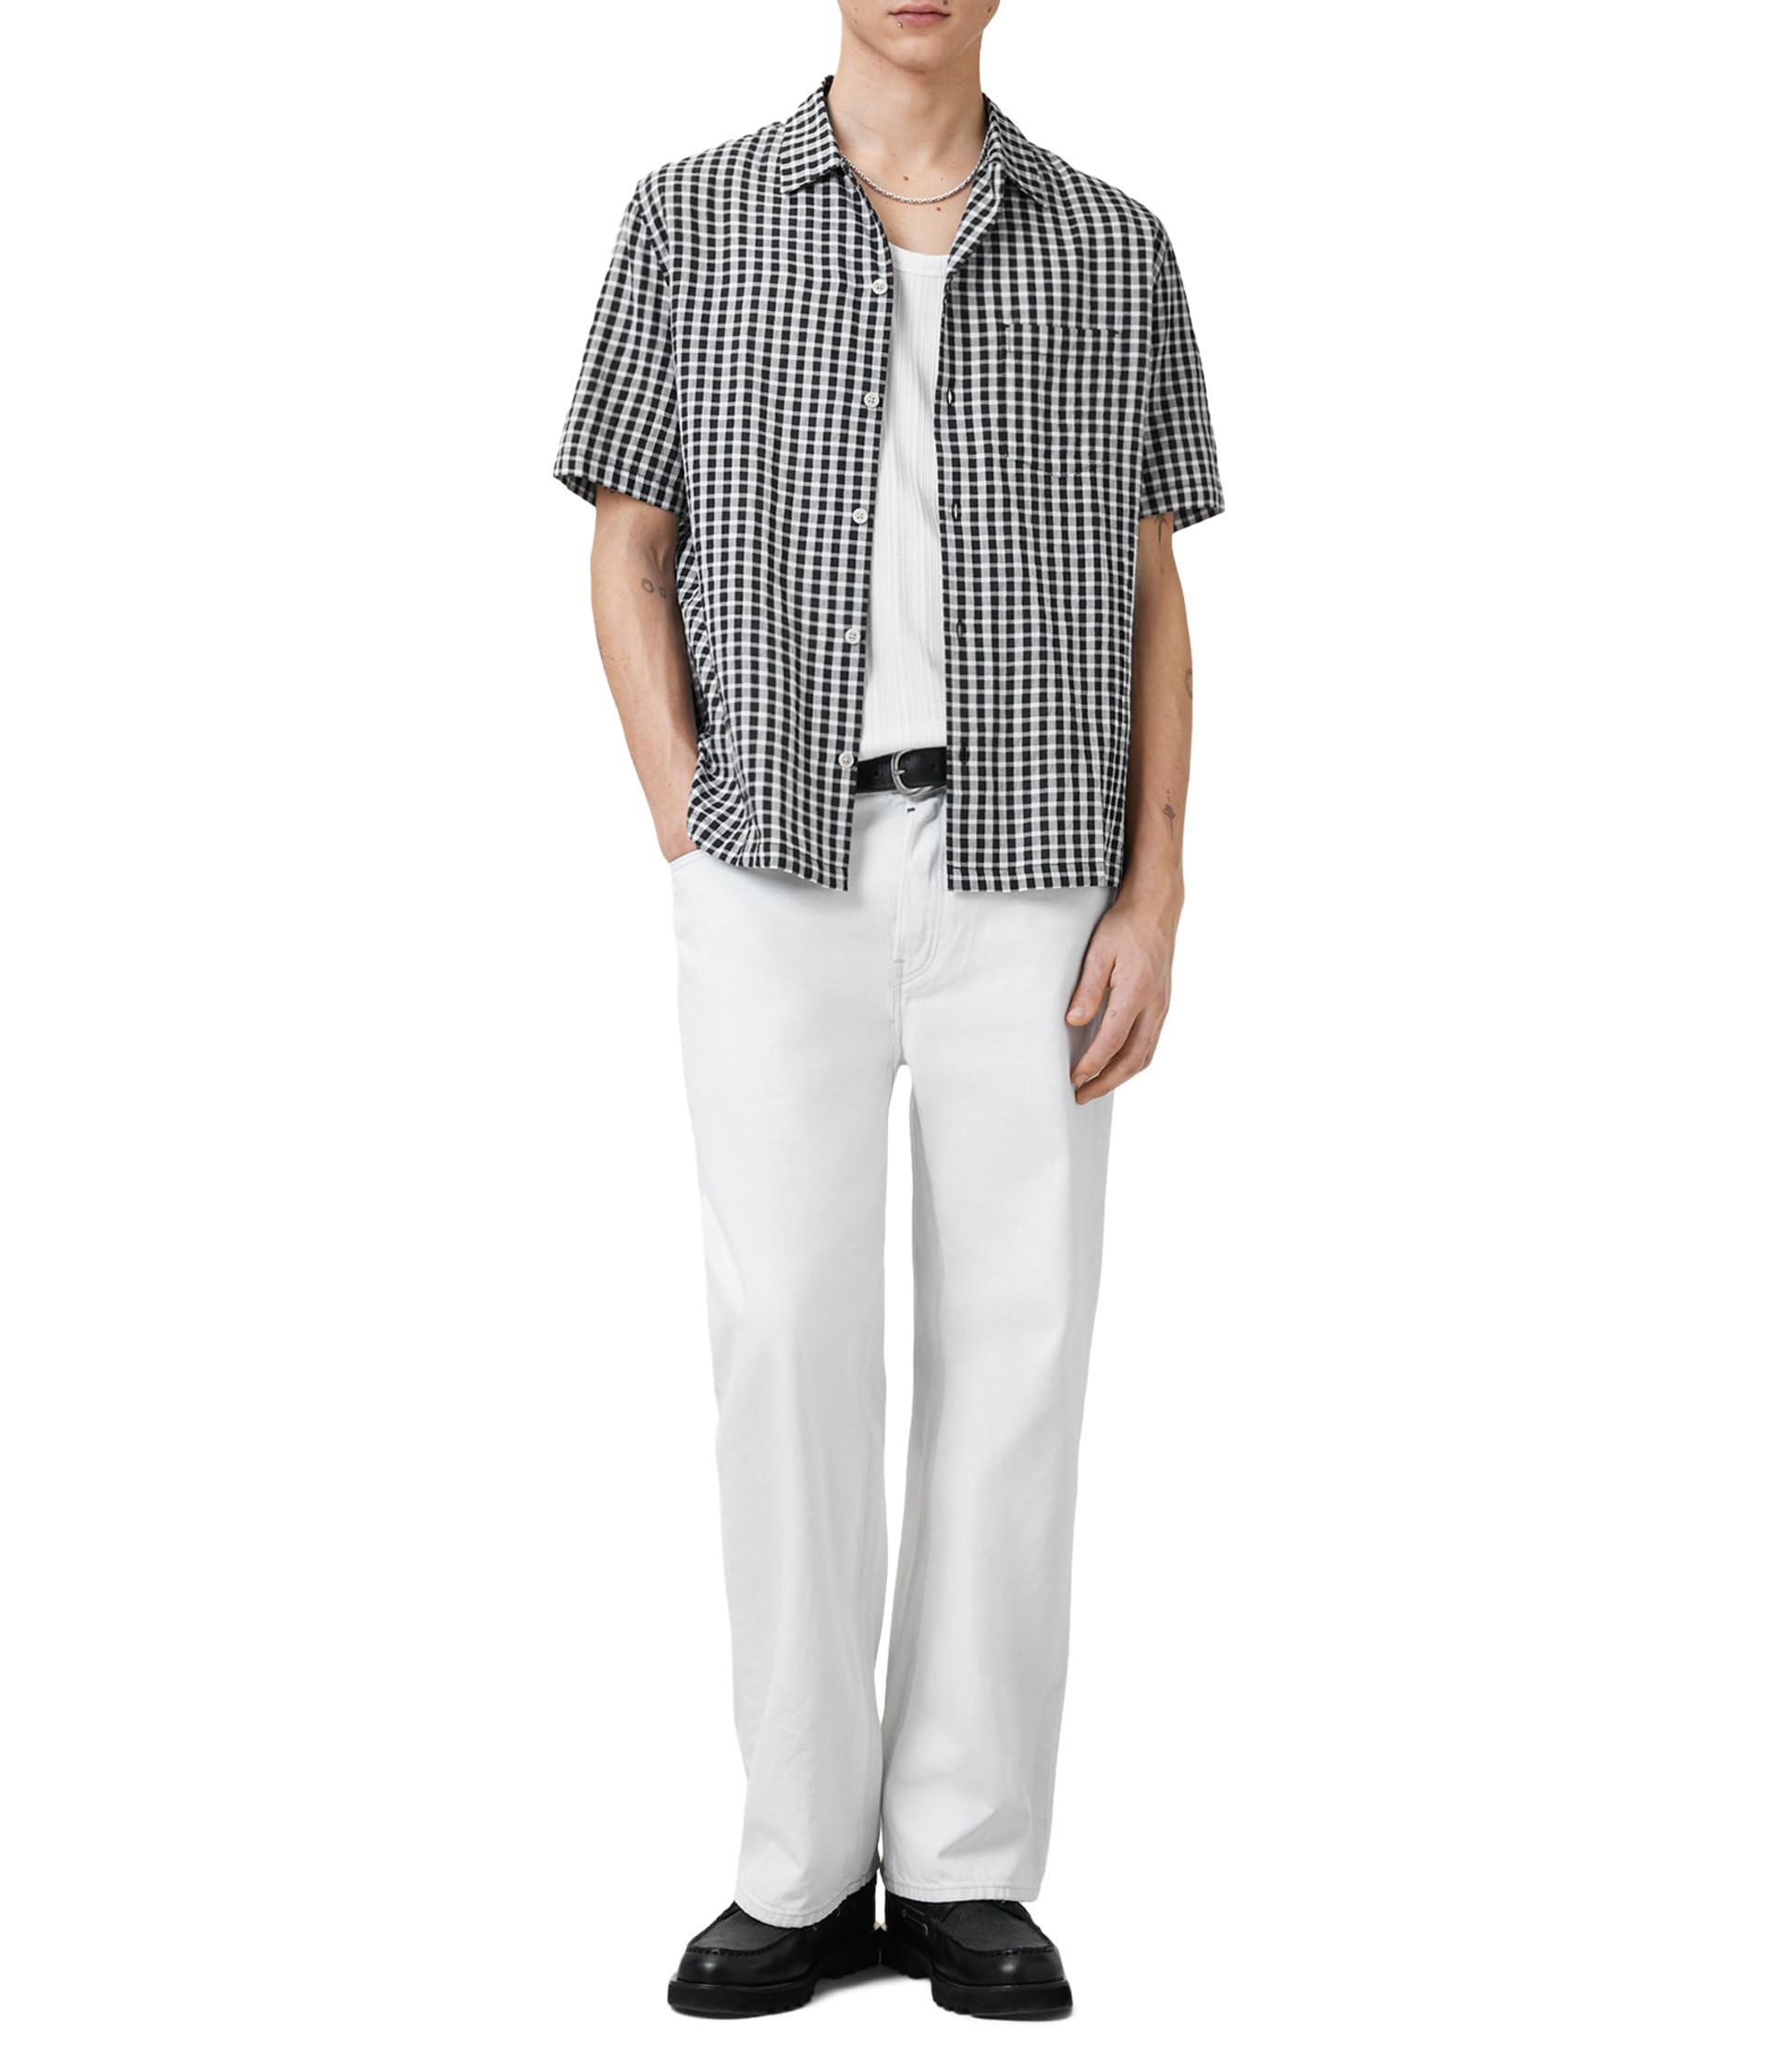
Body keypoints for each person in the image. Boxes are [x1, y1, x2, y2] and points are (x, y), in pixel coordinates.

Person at [553, 0, 1221, 2023]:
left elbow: (1152, 588)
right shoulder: (689, 221)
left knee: (1020, 1351)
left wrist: (1158, 884)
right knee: (783, 1344)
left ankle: (961, 1865)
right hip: (774, 861)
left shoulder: (1115, 245)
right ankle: (795, 1860)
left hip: (1035, 868)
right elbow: (625, 550)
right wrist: (686, 817)